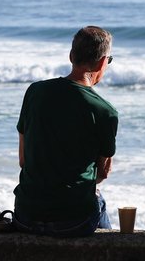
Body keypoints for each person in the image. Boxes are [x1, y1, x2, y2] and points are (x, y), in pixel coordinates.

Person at [12, 26, 118, 236]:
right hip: (73, 222)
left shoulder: (35, 92)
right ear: (102, 62)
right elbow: (103, 173)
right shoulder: (105, 111)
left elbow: (24, 160)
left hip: (25, 216)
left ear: (71, 56)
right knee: (99, 201)